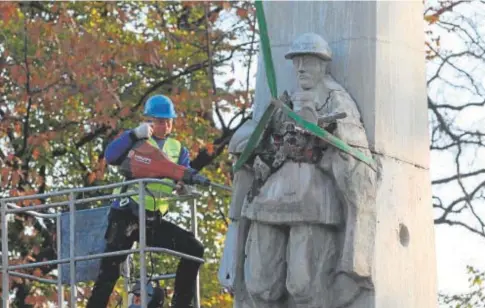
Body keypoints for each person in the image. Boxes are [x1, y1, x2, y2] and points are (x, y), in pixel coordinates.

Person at [233, 33, 377, 308]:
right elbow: (255, 140)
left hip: (313, 202)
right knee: (260, 283)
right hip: (270, 200)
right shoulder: (284, 102)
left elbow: (354, 152)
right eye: (297, 61)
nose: (300, 68)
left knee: (304, 285)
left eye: (308, 61)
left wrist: (322, 130)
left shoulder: (336, 100)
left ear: (323, 66)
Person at [86, 94, 204, 308]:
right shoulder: (137, 140)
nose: (165, 125)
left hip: (152, 220)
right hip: (126, 214)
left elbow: (183, 173)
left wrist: (184, 186)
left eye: (168, 121)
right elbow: (111, 156)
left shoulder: (178, 149)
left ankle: (181, 304)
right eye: (160, 121)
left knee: (194, 249)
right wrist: (132, 135)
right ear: (148, 121)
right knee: (110, 269)